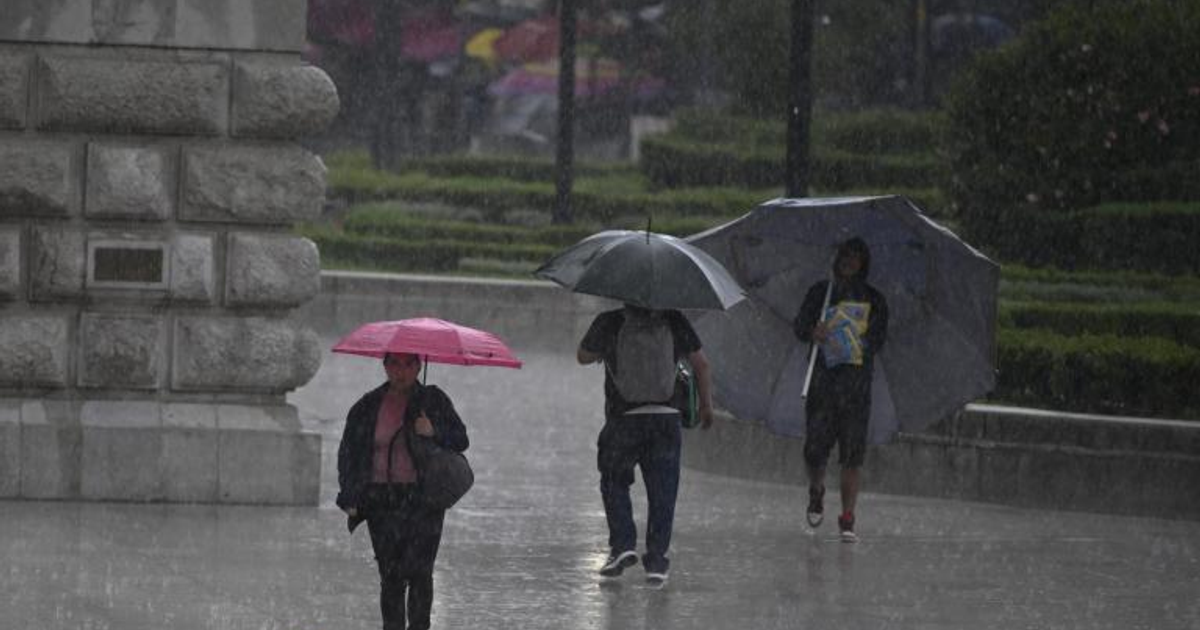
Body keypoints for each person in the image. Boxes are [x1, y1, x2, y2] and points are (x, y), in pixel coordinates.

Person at [577, 303, 714, 586]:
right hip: (665, 419)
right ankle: (657, 562)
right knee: (663, 491)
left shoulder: (611, 320)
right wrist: (706, 406)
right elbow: (701, 363)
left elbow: (582, 356)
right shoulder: (674, 319)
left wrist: (605, 350)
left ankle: (622, 545)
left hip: (624, 417)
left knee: (614, 480)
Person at [336, 352, 469, 630]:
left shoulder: (432, 400)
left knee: (421, 573)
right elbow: (350, 453)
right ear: (385, 366)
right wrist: (350, 495)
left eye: (409, 364)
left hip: (424, 499)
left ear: (419, 366)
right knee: (391, 576)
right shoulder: (368, 406)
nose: (401, 371)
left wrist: (433, 430)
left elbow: (460, 439)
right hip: (381, 500)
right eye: (394, 363)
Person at [793, 237, 888, 543]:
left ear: (864, 262)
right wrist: (814, 331)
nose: (849, 261)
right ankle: (816, 490)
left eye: (856, 256)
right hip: (822, 383)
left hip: (856, 388)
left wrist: (856, 341)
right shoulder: (821, 293)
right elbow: (799, 327)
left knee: (852, 454)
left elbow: (878, 339)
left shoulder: (874, 300)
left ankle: (848, 517)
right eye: (845, 255)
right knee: (814, 449)